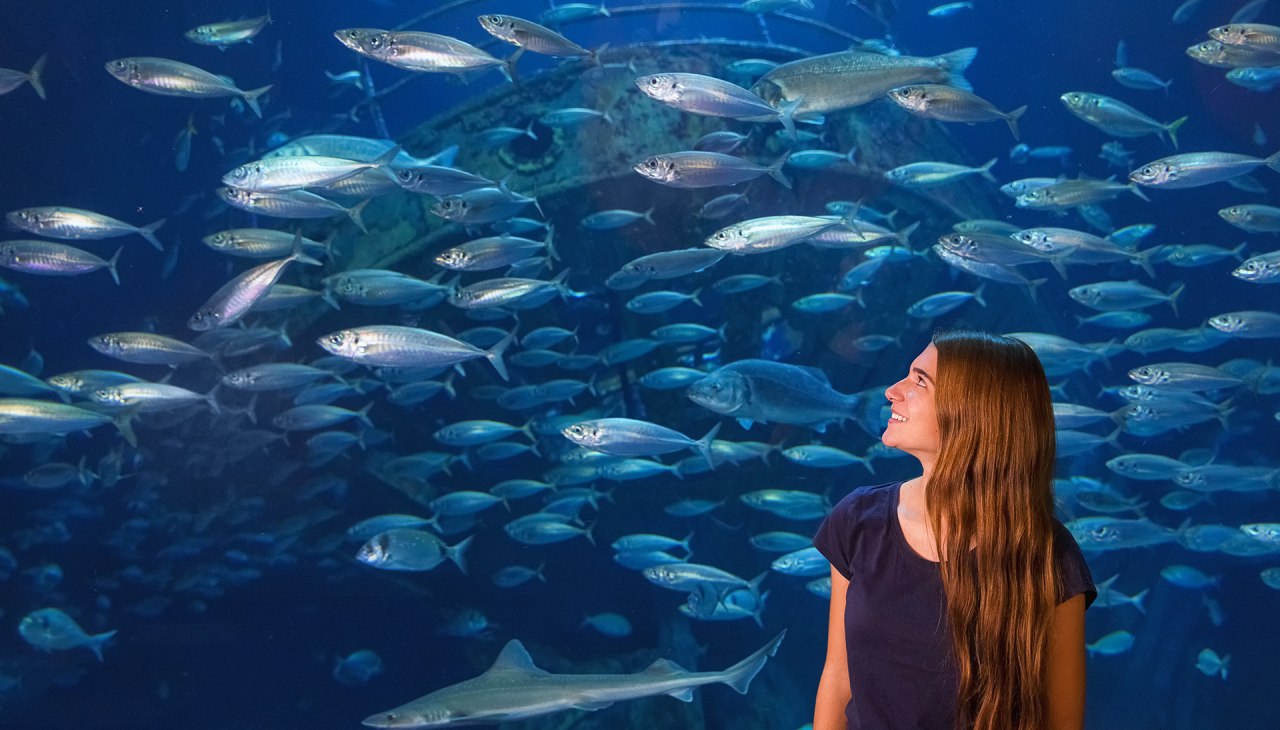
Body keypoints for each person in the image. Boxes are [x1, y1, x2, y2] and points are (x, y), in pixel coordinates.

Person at [812, 330, 1096, 730]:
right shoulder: (857, 521)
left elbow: (1063, 722)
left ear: (973, 411)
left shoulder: (1047, 553)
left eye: (919, 381)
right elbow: (838, 678)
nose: (892, 390)